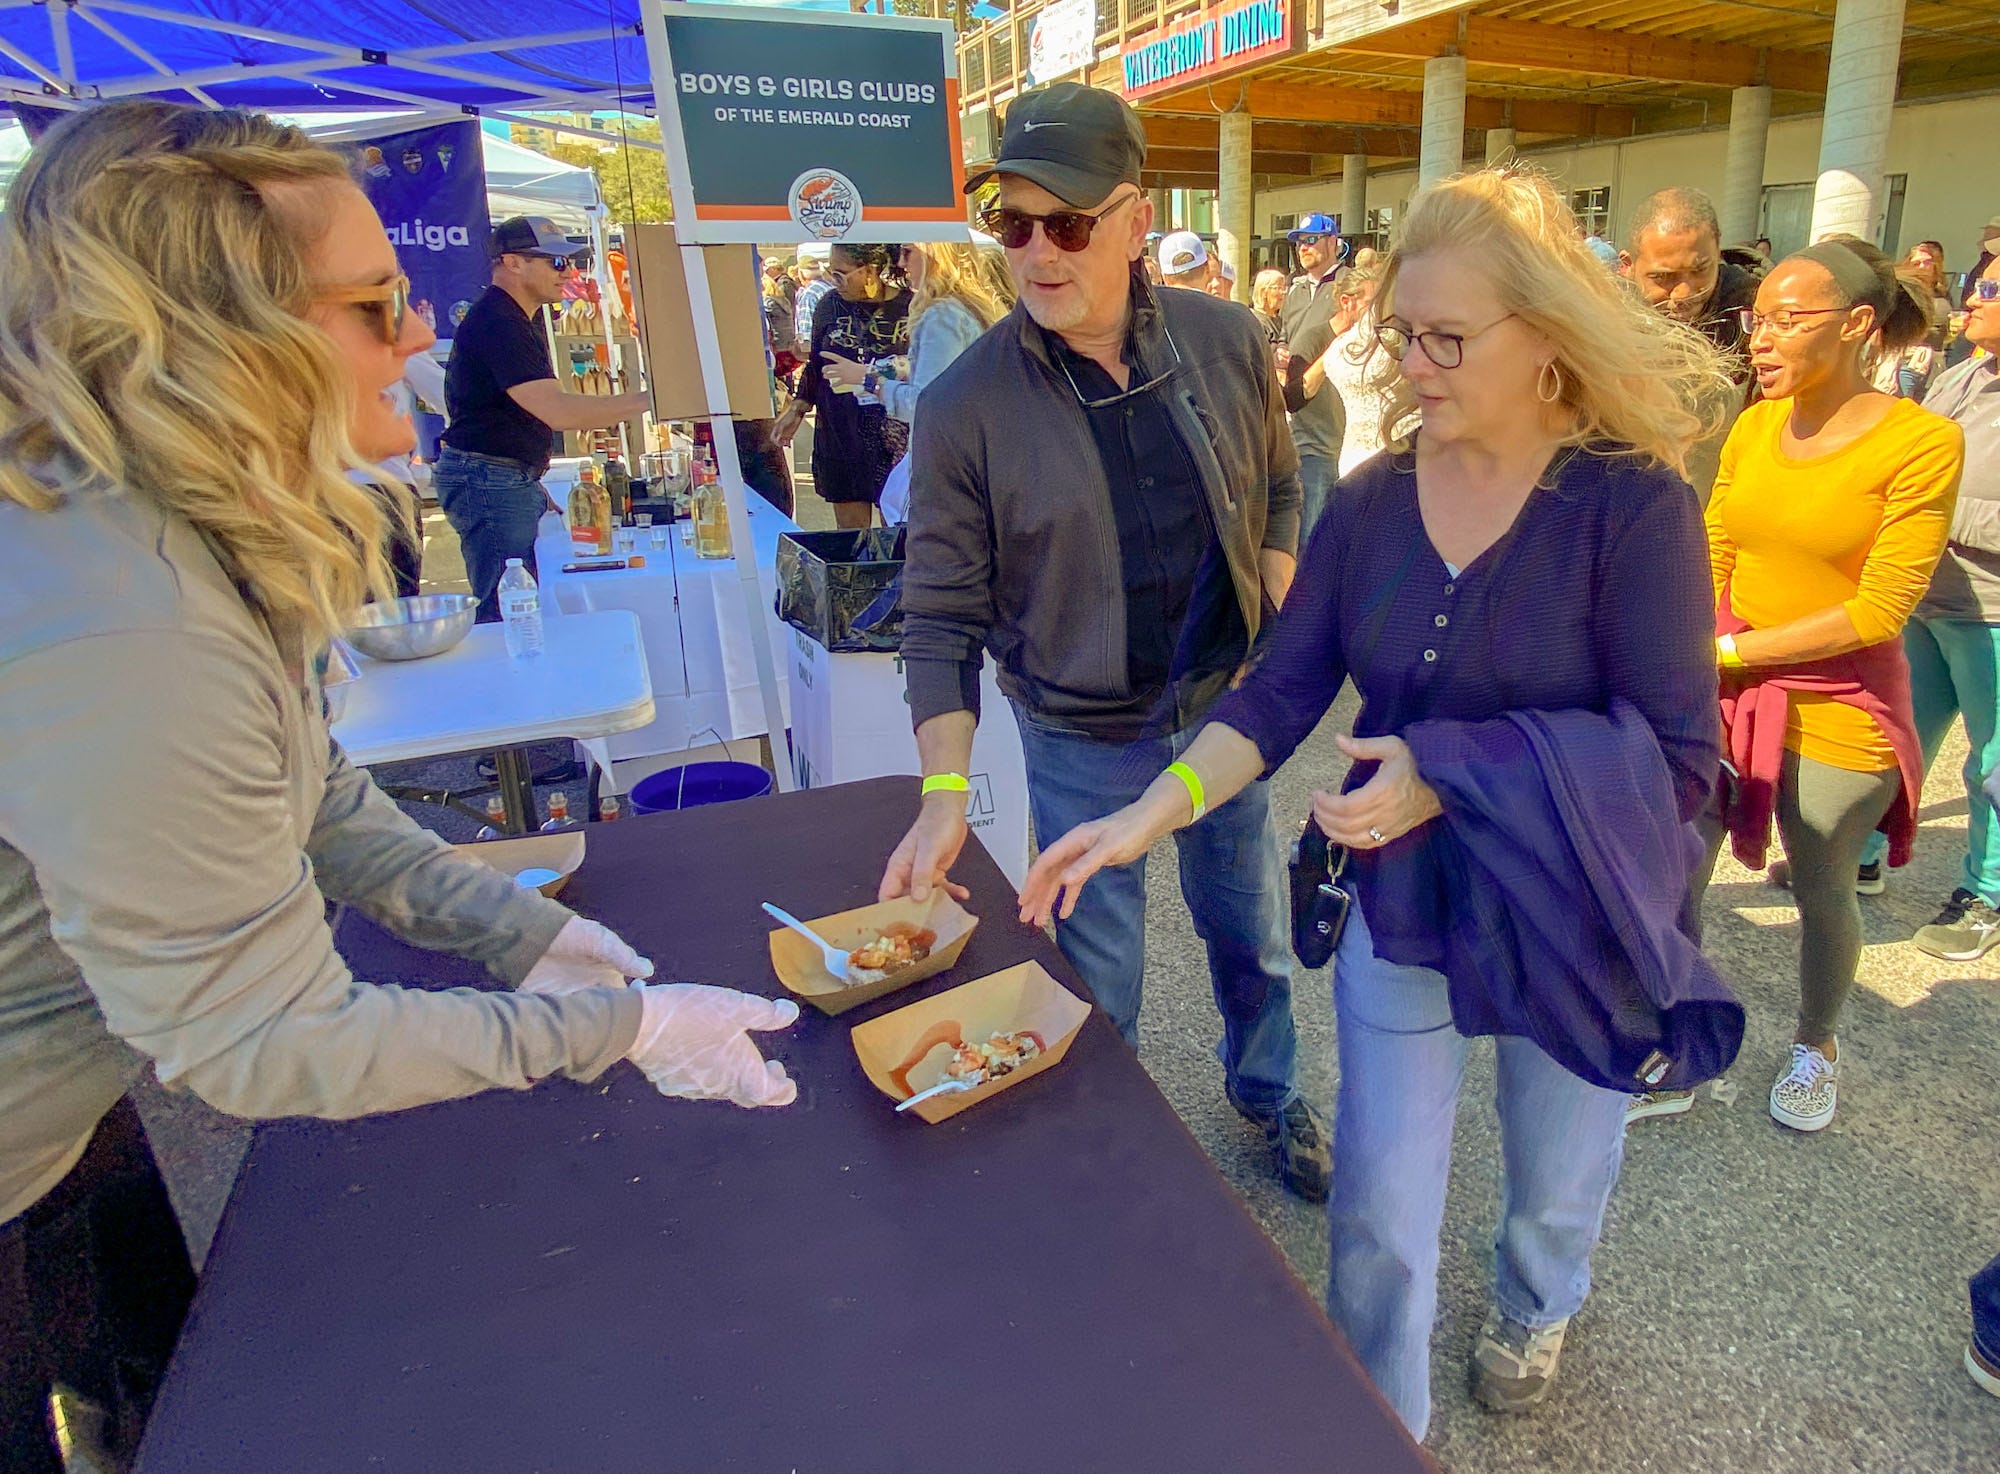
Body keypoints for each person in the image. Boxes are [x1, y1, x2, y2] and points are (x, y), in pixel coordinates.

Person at [0, 102, 803, 1473]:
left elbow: (316, 796)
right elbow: (265, 1040)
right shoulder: (128, 618)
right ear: (219, 338)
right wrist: (616, 1027)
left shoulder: (167, 523)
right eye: (376, 304)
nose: (420, 330)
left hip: (58, 1117)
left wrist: (519, 931)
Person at [1018, 164, 1734, 1435]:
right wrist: (1148, 813)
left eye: (1446, 337)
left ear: (1545, 340)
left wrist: (1444, 771)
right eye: (1401, 331)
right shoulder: (1370, 502)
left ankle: (1535, 1299)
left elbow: (1678, 759)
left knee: (1555, 1173)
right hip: (1399, 902)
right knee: (1376, 1212)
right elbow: (1279, 692)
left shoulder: (1632, 504)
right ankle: (1377, 1431)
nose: (1410, 363)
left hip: (1574, 908)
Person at [882, 82, 1328, 1203]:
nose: (1036, 251)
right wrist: (943, 790)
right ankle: (1103, 1168)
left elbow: (1281, 483)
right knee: (1096, 972)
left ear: (1137, 219)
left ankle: (1269, 1091)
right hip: (1080, 737)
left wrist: (1276, 584)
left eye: (1069, 224)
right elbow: (938, 614)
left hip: (1222, 715)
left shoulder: (1227, 340)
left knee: (1250, 936)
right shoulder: (964, 406)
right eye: (1013, 223)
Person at [1655, 237, 1963, 1134]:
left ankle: (1816, 1042)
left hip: (1841, 701)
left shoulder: (1922, 442)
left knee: (1823, 880)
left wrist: (1729, 653)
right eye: (1759, 319)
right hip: (1726, 683)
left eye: (1789, 320)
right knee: (1682, 861)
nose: (1762, 338)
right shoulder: (1756, 424)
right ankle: (1680, 1037)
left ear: (1858, 324)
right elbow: (1718, 541)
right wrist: (1696, 641)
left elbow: (1881, 608)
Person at [1848, 252, 2000, 958]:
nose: (1971, 298)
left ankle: (1985, 894)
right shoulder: (1964, 375)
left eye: (1990, 288)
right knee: (1893, 739)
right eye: (1975, 284)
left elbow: (1926, 486)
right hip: (1927, 599)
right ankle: (1865, 852)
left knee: (1990, 764)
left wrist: (1930, 510)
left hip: (1990, 613)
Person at [433, 216, 647, 621]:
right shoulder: (500, 321)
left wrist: (527, 476)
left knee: (522, 598)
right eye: (556, 262)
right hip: (490, 476)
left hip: (501, 474)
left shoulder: (514, 317)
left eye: (569, 262)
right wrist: (651, 400)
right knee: (509, 607)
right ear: (512, 262)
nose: (568, 273)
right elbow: (558, 411)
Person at [822, 238, 1013, 525]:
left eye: (908, 252)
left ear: (936, 255)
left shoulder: (943, 316)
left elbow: (925, 405)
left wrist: (868, 380)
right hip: (976, 464)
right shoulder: (970, 308)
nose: (901, 263)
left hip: (949, 471)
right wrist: (889, 372)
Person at [1620, 186, 1762, 501]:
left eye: (1700, 271)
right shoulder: (1602, 320)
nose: (1685, 293)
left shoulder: (1758, 318)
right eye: (1663, 277)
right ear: (1627, 266)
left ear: (1718, 253)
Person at [775, 242, 912, 529]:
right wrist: (798, 408)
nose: (833, 280)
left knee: (896, 534)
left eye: (840, 273)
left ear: (870, 271)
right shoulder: (829, 304)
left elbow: (919, 370)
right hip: (841, 432)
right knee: (852, 538)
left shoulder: (909, 308)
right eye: (830, 272)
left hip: (894, 436)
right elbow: (817, 364)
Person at [1280, 210, 1352, 534]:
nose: (1303, 247)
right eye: (1299, 242)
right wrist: (1279, 351)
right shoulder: (1295, 291)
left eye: (1311, 239)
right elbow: (1284, 335)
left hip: (1330, 424)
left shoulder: (1349, 287)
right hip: (1295, 423)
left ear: (1333, 243)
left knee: (1315, 532)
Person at [1301, 267, 1398, 477]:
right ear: (1347, 302)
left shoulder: (1388, 338)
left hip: (1377, 449)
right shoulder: (1331, 344)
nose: (1377, 308)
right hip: (1334, 450)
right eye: (1371, 302)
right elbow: (1302, 390)